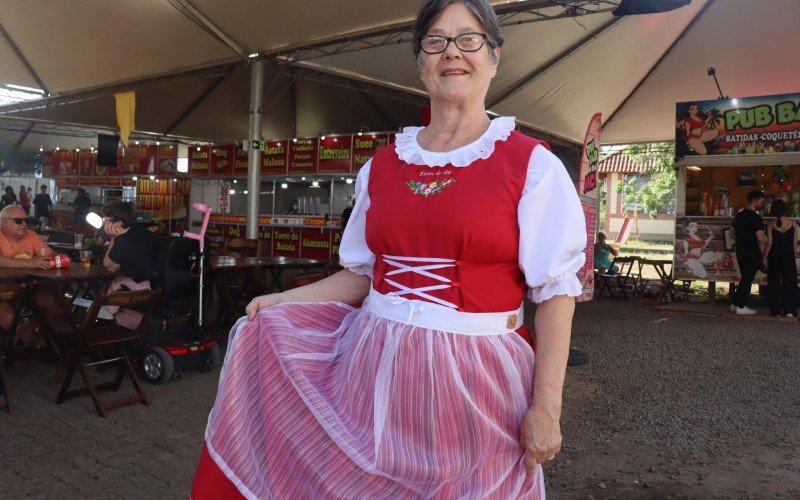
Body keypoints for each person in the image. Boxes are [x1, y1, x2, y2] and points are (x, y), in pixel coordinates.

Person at [191, 1, 586, 497]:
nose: (452, 52)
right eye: (435, 40)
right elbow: (364, 274)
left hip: (477, 382)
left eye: (468, 39)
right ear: (420, 61)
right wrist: (282, 302)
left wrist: (547, 407)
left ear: (494, 55)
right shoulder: (382, 165)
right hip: (372, 368)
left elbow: (555, 291)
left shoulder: (531, 164)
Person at [98, 201, 159, 329]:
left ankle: (106, 313)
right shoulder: (146, 234)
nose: (104, 223)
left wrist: (113, 238)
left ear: (118, 223)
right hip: (154, 290)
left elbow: (109, 266)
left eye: (106, 219)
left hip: (135, 294)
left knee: (100, 281)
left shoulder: (122, 239)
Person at [0, 205, 55, 344]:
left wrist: (51, 258)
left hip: (28, 289)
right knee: (8, 317)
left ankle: (26, 330)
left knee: (58, 304)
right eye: (18, 220)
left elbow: (49, 255)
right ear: (3, 222)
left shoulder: (31, 235)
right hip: (3, 291)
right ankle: (13, 346)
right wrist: (31, 262)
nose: (24, 224)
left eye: (26, 220)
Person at [730, 190, 766, 315]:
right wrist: (764, 256)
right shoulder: (756, 218)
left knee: (744, 278)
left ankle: (735, 304)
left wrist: (741, 241)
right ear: (754, 201)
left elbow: (731, 233)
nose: (762, 204)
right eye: (761, 202)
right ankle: (741, 306)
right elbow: (761, 239)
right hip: (753, 253)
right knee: (747, 279)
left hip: (740, 252)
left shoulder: (739, 215)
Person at [762, 199, 798, 318]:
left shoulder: (770, 224)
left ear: (772, 210)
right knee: (790, 283)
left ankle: (776, 311)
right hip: (788, 256)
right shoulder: (793, 223)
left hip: (774, 257)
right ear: (785, 210)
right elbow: (795, 244)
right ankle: (790, 311)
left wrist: (764, 258)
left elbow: (769, 244)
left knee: (774, 283)